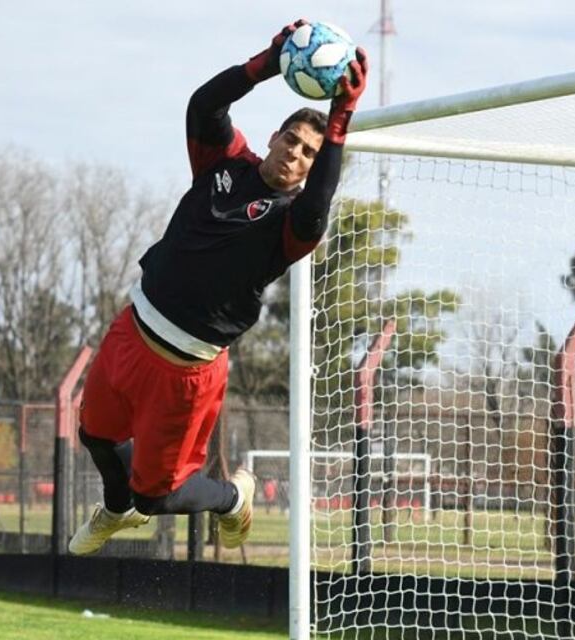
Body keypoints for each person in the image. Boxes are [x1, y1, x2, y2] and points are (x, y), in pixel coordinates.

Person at [68, 20, 368, 555]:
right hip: (132, 329)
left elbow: (318, 204)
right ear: (273, 137)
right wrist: (266, 64)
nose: (295, 154)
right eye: (291, 141)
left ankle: (232, 497)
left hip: (184, 370)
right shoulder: (225, 162)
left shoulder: (292, 225)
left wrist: (341, 117)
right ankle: (114, 510)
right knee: (95, 433)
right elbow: (204, 105)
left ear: (311, 168)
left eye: (308, 153)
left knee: (157, 495)